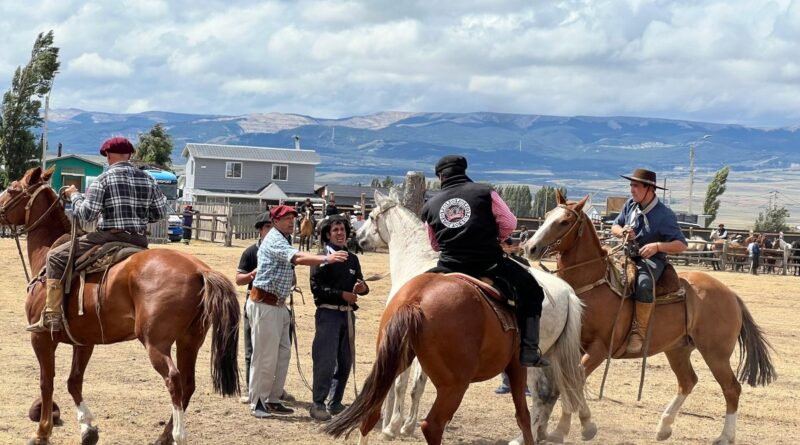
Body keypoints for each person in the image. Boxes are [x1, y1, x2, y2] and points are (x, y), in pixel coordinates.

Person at [28, 137, 170, 333]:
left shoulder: (103, 179)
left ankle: (52, 314)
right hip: (139, 239)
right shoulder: (149, 179)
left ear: (108, 156)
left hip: (109, 237)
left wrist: (74, 196)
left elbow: (87, 214)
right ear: (129, 155)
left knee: (55, 257)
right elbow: (160, 213)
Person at [420, 155, 549, 367]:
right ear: (463, 171)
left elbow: (434, 244)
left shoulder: (430, 205)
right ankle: (528, 350)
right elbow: (509, 223)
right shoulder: (484, 192)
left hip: (449, 266)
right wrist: (497, 237)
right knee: (532, 291)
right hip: (488, 264)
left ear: (440, 177)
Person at [247, 204, 348, 419]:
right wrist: (327, 259)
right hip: (265, 304)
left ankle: (273, 399)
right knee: (265, 356)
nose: (291, 222)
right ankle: (258, 401)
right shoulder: (275, 239)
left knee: (282, 355)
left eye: (293, 218)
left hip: (278, 305)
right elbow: (298, 259)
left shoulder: (284, 239)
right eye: (286, 218)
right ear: (275, 221)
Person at [611, 168, 687, 354]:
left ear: (650, 189)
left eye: (636, 186)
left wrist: (657, 246)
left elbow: (681, 245)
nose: (632, 190)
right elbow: (615, 225)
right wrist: (622, 232)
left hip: (651, 261)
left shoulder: (665, 215)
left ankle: (639, 332)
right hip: (625, 255)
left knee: (644, 285)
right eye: (631, 185)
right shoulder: (630, 205)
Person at [308, 215, 369, 421]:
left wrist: (362, 288)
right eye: (335, 230)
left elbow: (361, 284)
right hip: (328, 314)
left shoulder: (353, 259)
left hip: (348, 316)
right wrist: (342, 295)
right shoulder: (320, 258)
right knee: (325, 360)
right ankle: (318, 403)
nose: (340, 233)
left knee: (345, 360)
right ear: (327, 234)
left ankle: (335, 402)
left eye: (342, 229)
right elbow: (316, 288)